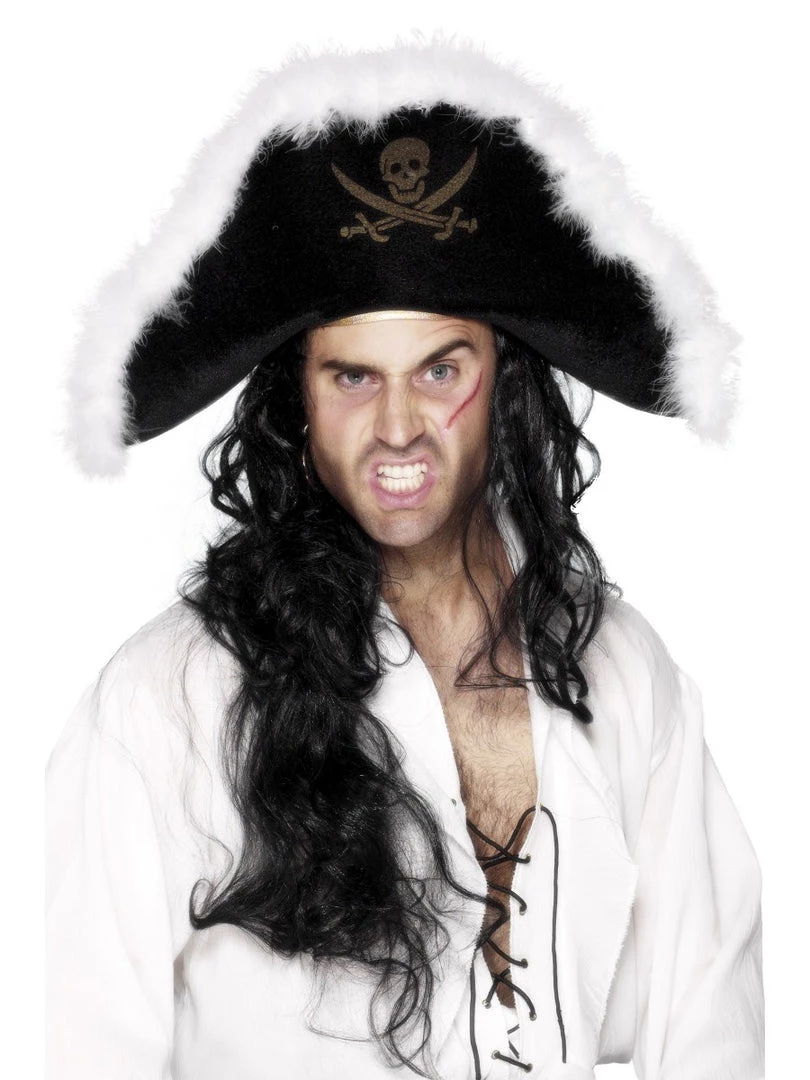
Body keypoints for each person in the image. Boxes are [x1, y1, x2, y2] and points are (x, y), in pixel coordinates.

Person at [46, 41, 765, 1080]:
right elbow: (78, 1045)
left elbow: (709, 1028)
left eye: (439, 370)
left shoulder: (619, 672)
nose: (397, 427)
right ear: (296, 397)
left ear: (506, 380)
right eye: (352, 376)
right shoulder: (167, 701)